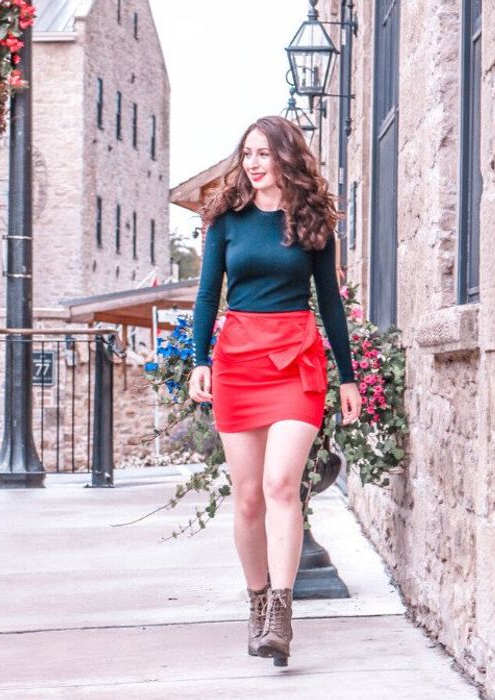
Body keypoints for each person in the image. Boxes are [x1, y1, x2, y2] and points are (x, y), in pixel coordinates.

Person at [188, 115, 360, 667]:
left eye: (264, 153)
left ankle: (281, 617)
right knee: (247, 496)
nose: (254, 163)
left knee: (282, 485)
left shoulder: (313, 221)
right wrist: (198, 361)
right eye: (247, 154)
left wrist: (349, 375)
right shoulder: (226, 221)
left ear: (286, 158)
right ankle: (257, 602)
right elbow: (207, 295)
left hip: (296, 361)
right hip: (238, 361)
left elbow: (330, 304)